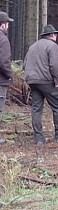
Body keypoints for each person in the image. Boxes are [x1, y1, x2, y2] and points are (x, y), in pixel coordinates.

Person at [23, 24, 58, 145]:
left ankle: (39, 138)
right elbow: (55, 65)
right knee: (57, 106)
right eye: (55, 34)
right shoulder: (52, 46)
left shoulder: (32, 46)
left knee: (36, 109)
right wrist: (57, 80)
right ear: (53, 35)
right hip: (46, 81)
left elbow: (25, 64)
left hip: (32, 81)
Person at [0, 11, 14, 145]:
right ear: (1, 25)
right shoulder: (3, 39)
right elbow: (4, 62)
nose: (8, 26)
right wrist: (10, 76)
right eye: (7, 24)